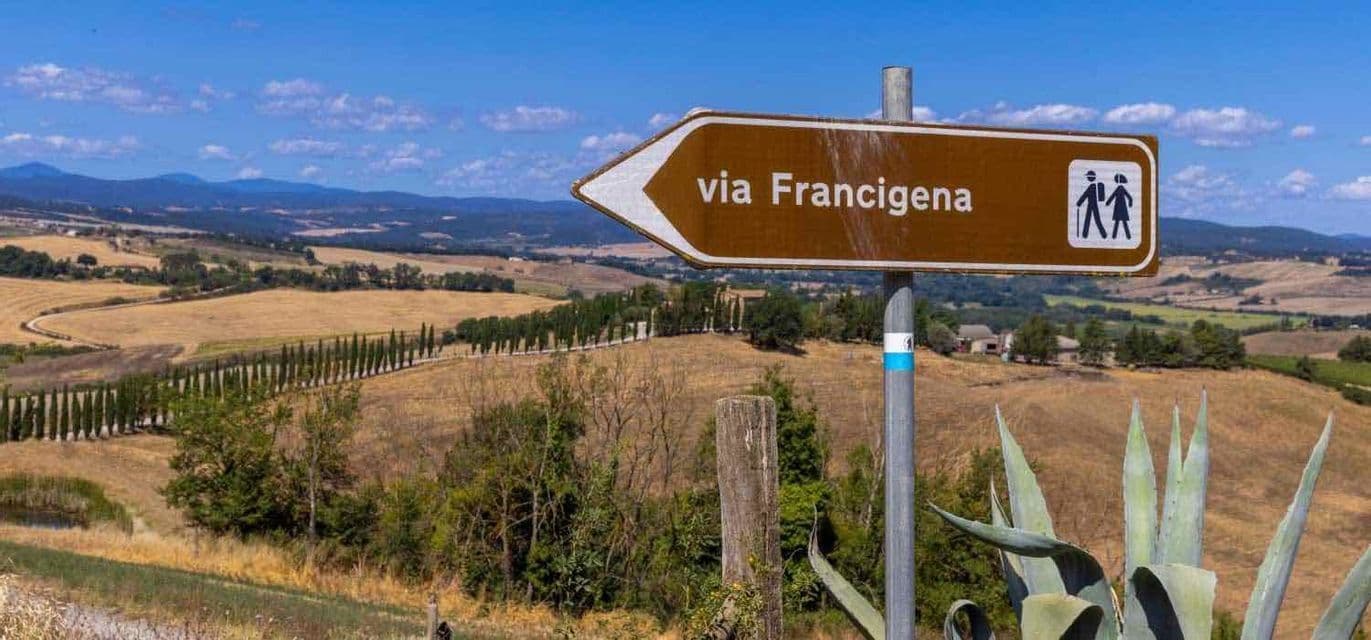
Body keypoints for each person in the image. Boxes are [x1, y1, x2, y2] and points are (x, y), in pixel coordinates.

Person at [1075, 170, 1107, 239]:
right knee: (1096, 219)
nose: (1087, 178)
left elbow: (1085, 195)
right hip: (1094, 205)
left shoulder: (1091, 186)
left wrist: (1079, 203)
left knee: (1089, 219)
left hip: (1091, 205)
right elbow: (1085, 195)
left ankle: (1085, 234)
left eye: (1087, 177)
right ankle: (1103, 234)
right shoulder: (1095, 186)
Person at [1106, 173, 1133, 240]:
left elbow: (1129, 197)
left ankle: (1126, 236)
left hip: (1120, 209)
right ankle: (1115, 236)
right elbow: (1113, 196)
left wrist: (1130, 203)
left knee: (1122, 223)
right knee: (1119, 223)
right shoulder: (1119, 189)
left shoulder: (1121, 189)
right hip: (1120, 209)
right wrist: (1108, 202)